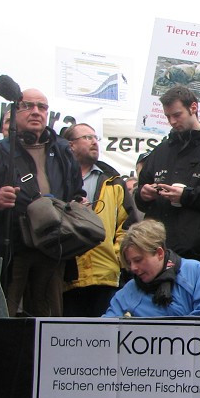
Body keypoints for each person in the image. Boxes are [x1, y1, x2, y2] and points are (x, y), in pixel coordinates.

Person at [0, 88, 83, 317]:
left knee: (48, 327)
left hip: (52, 251)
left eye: (42, 107)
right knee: (1, 324)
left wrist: (78, 204)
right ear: (14, 113)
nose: (36, 112)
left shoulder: (63, 152)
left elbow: (76, 193)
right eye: (28, 106)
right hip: (8, 253)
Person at [134, 86, 200, 275]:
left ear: (193, 108)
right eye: (168, 117)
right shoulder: (161, 150)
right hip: (158, 251)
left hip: (197, 253)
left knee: (195, 305)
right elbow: (140, 194)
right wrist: (143, 194)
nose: (172, 122)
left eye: (177, 115)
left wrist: (186, 195)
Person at [61, 123, 137, 317]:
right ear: (71, 145)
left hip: (106, 276)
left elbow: (126, 227)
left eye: (96, 138)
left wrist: (117, 257)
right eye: (87, 138)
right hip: (67, 276)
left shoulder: (114, 182)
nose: (94, 142)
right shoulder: (59, 179)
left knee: (105, 338)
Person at [103, 219, 200, 317]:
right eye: (129, 262)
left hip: (189, 341)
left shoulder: (193, 271)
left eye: (138, 260)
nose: (133, 268)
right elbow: (106, 327)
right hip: (145, 341)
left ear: (159, 253)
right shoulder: (129, 291)